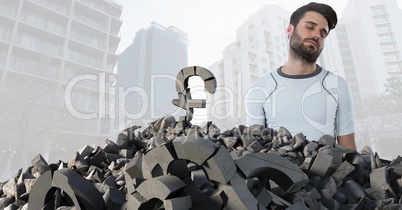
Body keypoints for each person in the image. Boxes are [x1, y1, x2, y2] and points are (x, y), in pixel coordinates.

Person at [246, 2, 357, 150]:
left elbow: (349, 149)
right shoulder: (261, 87)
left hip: (327, 172)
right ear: (290, 30)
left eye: (323, 34)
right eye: (310, 27)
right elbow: (254, 148)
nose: (317, 35)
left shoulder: (337, 85)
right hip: (276, 171)